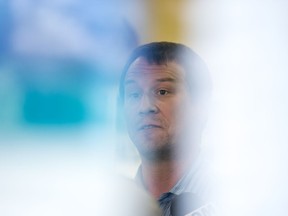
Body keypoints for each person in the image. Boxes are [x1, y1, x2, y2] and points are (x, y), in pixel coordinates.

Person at [118, 42, 213, 216]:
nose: (145, 106)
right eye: (134, 94)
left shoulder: (233, 200)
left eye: (162, 92)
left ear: (201, 107)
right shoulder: (113, 205)